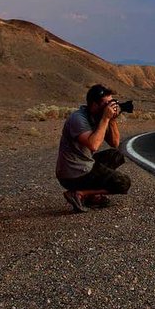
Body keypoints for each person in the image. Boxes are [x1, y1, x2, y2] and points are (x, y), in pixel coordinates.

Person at [56, 84, 131, 213]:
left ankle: (90, 195)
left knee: (115, 155)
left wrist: (112, 120)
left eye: (111, 102)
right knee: (124, 183)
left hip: (83, 164)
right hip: (73, 173)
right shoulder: (78, 119)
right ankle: (79, 193)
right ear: (94, 104)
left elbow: (115, 143)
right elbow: (93, 145)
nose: (110, 106)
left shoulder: (98, 117)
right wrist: (106, 118)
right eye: (107, 103)